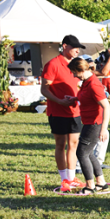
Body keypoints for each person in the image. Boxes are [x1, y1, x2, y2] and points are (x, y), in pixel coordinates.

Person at [41, 34, 85, 188]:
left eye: (79, 49)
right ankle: (64, 179)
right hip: (57, 111)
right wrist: (59, 101)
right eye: (75, 48)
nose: (77, 51)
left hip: (74, 111)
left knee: (74, 144)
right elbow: (44, 89)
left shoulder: (75, 64)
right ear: (65, 46)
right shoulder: (53, 64)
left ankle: (72, 178)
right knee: (61, 144)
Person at [67, 57, 110, 195]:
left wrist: (103, 129)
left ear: (80, 70)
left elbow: (106, 106)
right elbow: (89, 98)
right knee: (88, 153)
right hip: (88, 122)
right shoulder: (86, 83)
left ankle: (90, 186)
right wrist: (75, 98)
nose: (73, 75)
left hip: (94, 124)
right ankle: (101, 183)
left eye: (74, 72)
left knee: (81, 153)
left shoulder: (93, 84)